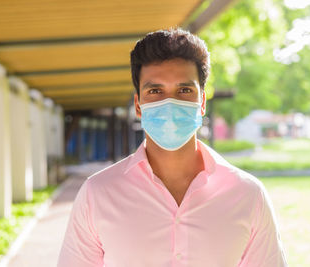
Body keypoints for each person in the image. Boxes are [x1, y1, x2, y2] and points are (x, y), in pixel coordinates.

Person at [57, 28, 288, 267]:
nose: (170, 103)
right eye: (155, 91)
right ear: (138, 105)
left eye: (184, 90)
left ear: (202, 103)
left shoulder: (248, 195)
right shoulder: (97, 193)